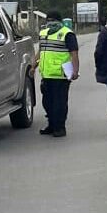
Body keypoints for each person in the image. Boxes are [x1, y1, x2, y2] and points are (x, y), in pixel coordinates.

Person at [32, 10, 79, 138]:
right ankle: (51, 125)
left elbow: (74, 53)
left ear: (59, 21)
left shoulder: (67, 34)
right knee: (47, 103)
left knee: (59, 103)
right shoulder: (43, 33)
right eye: (48, 20)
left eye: (53, 20)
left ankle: (60, 128)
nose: (50, 23)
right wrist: (33, 66)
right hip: (46, 75)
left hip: (61, 75)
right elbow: (41, 51)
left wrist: (75, 70)